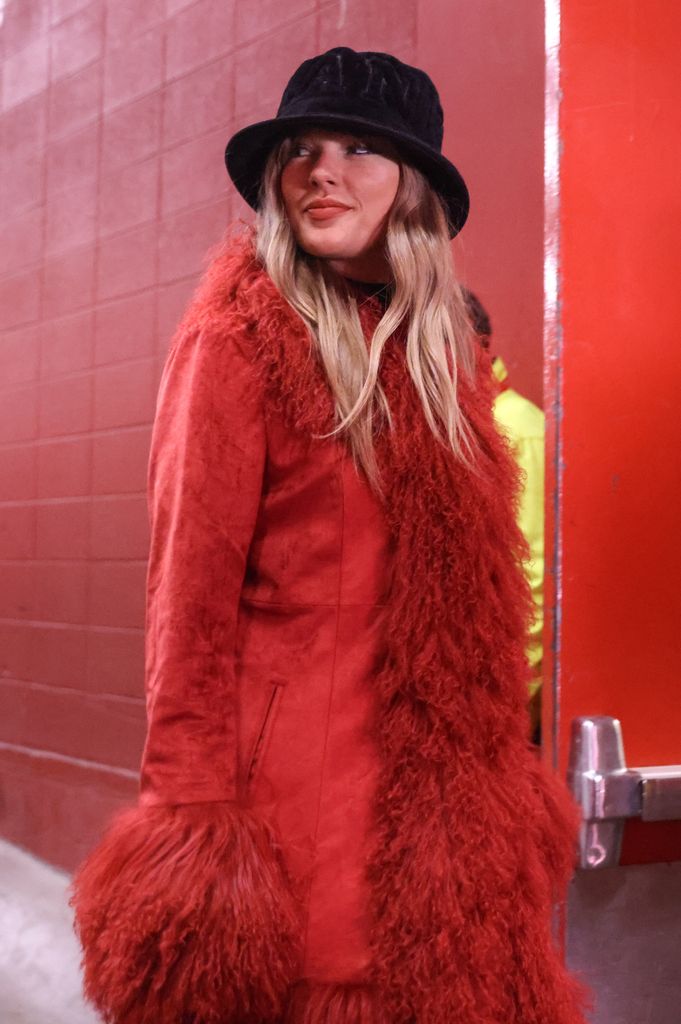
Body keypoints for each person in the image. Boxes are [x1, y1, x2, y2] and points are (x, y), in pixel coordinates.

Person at [70, 47, 590, 1024]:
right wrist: (191, 826)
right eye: (303, 149)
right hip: (297, 839)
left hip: (442, 841)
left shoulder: (447, 367)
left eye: (359, 147)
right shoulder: (240, 340)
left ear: (416, 185)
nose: (323, 170)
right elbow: (186, 609)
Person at [463, 289, 545, 743]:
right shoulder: (465, 423)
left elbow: (533, 579)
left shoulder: (516, 431)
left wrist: (512, 701)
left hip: (494, 706)